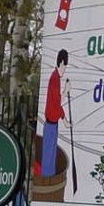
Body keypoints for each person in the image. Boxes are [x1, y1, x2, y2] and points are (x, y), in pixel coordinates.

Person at [42, 49, 70, 177]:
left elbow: (57, 104)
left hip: (53, 123)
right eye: (65, 66)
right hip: (50, 124)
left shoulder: (56, 78)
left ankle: (49, 175)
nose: (64, 70)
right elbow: (56, 102)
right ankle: (48, 177)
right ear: (62, 63)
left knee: (51, 153)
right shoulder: (54, 78)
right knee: (49, 153)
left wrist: (64, 121)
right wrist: (66, 91)